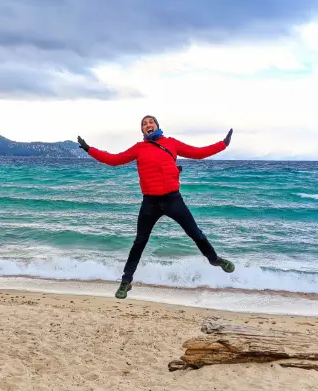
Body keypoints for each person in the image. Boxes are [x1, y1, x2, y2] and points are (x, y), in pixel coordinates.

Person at [77, 115, 235, 299]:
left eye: (150, 122)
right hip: (150, 202)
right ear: (142, 130)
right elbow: (113, 159)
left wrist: (223, 144)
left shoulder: (171, 143)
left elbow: (198, 153)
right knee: (139, 242)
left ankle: (215, 260)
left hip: (173, 200)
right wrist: (89, 149)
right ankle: (125, 282)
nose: (148, 125)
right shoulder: (139, 148)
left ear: (157, 126)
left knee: (195, 233)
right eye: (144, 124)